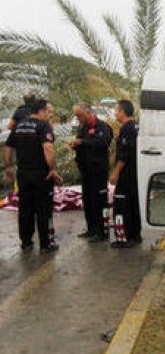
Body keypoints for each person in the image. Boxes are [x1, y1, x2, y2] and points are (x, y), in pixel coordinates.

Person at [3, 99, 62, 252]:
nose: (49, 115)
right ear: (41, 111)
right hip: (41, 174)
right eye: (48, 112)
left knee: (25, 208)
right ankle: (46, 244)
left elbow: (8, 146)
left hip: (23, 174)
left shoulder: (20, 125)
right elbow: (48, 148)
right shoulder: (43, 126)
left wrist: (8, 166)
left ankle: (26, 242)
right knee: (43, 209)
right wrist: (53, 169)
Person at [69, 102, 113, 242]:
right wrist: (75, 145)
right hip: (86, 171)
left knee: (99, 201)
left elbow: (103, 143)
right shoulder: (83, 128)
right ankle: (91, 229)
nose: (78, 119)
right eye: (76, 116)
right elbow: (82, 143)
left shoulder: (102, 126)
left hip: (98, 171)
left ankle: (101, 231)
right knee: (87, 200)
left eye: (80, 115)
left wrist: (82, 142)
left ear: (88, 113)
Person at [109, 99, 141, 248]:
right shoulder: (136, 126)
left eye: (116, 110)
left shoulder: (127, 128)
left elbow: (124, 154)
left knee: (122, 205)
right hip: (136, 173)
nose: (115, 113)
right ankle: (135, 235)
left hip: (126, 173)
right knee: (134, 204)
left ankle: (124, 238)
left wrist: (115, 172)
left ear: (122, 112)